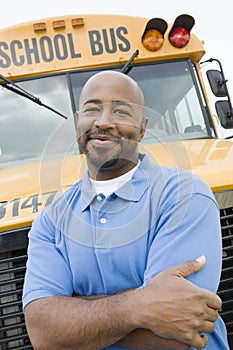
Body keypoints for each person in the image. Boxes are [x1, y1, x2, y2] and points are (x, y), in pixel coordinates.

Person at [22, 70, 229, 350]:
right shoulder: (50, 221)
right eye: (92, 109)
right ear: (77, 123)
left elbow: (179, 330)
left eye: (120, 111)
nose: (104, 122)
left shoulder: (184, 195)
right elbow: (43, 334)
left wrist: (71, 313)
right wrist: (139, 306)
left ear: (142, 128)